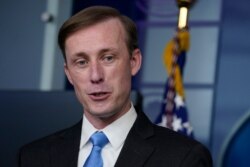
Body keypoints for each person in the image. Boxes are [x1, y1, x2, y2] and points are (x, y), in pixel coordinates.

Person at [18, 6, 213, 167]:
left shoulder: (184, 158)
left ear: (134, 62)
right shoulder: (33, 158)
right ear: (68, 73)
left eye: (108, 58)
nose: (95, 76)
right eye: (81, 62)